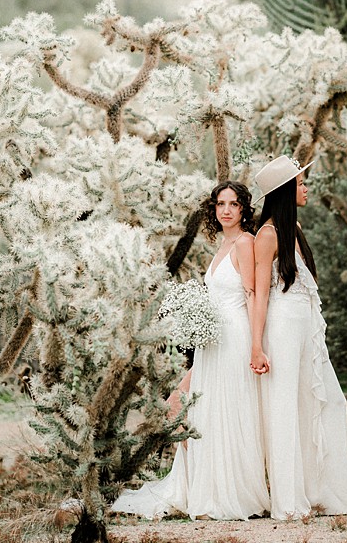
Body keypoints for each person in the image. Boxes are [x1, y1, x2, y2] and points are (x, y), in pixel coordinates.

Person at [111, 181, 270, 520]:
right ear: (214, 209)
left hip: (235, 337)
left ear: (244, 209)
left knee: (227, 409)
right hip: (212, 340)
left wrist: (256, 346)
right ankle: (204, 483)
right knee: (201, 409)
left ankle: (231, 491)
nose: (225, 210)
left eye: (233, 204)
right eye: (220, 204)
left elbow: (254, 297)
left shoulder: (245, 243)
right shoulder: (222, 244)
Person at [250, 155, 347, 520]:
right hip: (281, 329)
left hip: (306, 329)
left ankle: (321, 491)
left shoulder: (293, 231)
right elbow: (260, 295)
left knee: (326, 402)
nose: (306, 188)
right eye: (299, 183)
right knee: (284, 410)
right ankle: (288, 500)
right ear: (284, 192)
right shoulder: (267, 236)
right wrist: (257, 346)